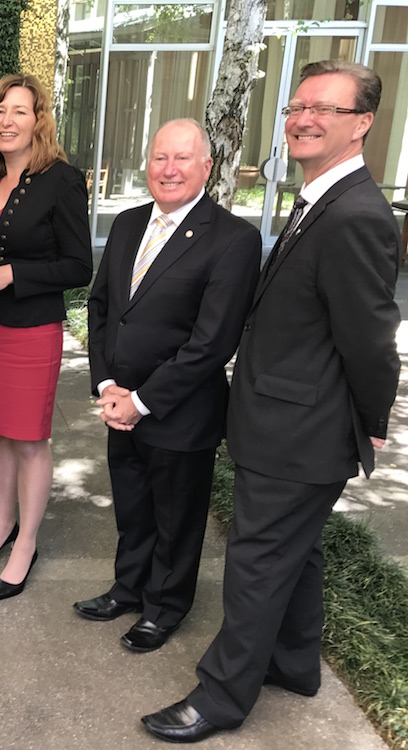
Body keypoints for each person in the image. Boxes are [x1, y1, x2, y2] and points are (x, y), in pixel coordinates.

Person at [143, 61, 401, 743]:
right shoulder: (318, 198)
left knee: (257, 563)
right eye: (297, 106)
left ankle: (221, 698)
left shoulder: (356, 216)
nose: (304, 119)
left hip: (300, 434)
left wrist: (371, 422)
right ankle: (294, 663)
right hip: (281, 421)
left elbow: (372, 343)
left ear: (363, 125)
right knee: (298, 553)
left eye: (326, 109)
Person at [74, 119, 261, 651]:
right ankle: (128, 589)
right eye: (160, 158)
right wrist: (108, 385)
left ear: (207, 166)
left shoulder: (234, 240)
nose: (169, 169)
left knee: (176, 519)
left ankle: (166, 605)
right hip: (120, 403)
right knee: (133, 507)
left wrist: (141, 401)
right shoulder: (129, 223)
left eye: (183, 158)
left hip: (178, 414)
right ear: (147, 163)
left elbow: (211, 342)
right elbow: (103, 308)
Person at [0, 74, 92, 600]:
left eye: (19, 111)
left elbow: (79, 265)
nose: (7, 121)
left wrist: (11, 274)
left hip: (30, 331)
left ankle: (26, 541)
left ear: (39, 121)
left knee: (30, 438)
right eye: (0, 111)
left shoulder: (63, 179)